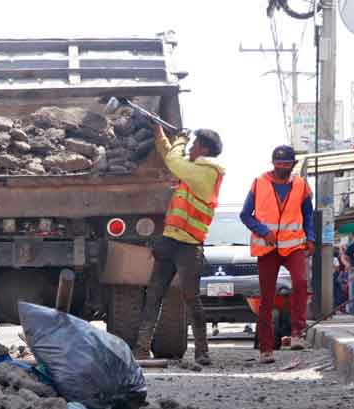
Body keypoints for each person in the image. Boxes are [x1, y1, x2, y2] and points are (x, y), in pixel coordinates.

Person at [135, 125, 225, 365]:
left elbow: (174, 161)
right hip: (171, 240)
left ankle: (202, 351)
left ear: (204, 149)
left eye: (194, 144)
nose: (191, 148)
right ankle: (142, 349)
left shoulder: (207, 172)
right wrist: (160, 134)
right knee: (154, 295)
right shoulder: (194, 170)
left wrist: (181, 139)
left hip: (189, 246)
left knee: (190, 298)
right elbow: (170, 156)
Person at [241, 145, 314, 363]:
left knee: (301, 282)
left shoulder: (301, 185)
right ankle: (265, 349)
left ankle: (297, 333)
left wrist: (310, 238)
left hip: (293, 246)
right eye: (278, 164)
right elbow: (246, 215)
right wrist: (264, 231)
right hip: (268, 247)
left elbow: (308, 215)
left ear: (293, 164)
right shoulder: (259, 183)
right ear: (273, 164)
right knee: (267, 297)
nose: (282, 168)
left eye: (286, 164)